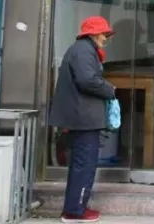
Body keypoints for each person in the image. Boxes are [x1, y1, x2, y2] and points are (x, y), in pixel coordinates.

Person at [50, 16, 116, 223]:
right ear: (93, 34)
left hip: (81, 117)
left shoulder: (82, 50)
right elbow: (87, 80)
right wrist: (109, 89)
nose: (106, 38)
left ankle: (75, 208)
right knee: (84, 165)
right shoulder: (84, 51)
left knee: (82, 164)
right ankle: (74, 212)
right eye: (104, 34)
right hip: (83, 118)